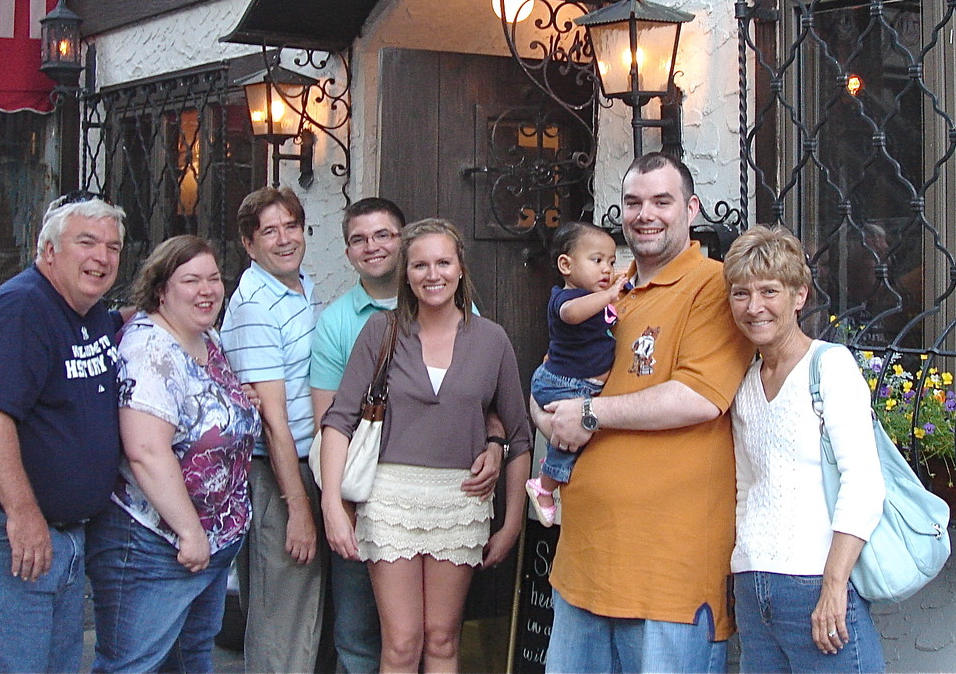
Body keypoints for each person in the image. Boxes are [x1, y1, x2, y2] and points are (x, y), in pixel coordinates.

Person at [536, 152, 754, 674]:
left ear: (691, 208)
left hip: (666, 575)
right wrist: (549, 418)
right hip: (583, 565)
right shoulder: (610, 287)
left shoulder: (713, 286)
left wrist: (587, 414)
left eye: (662, 201)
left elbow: (698, 396)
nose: (645, 214)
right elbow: (548, 376)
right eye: (633, 202)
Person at [0, 191, 128, 673]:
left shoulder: (90, 312)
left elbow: (112, 329)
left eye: (113, 246)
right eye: (87, 242)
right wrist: (24, 514)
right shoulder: (19, 309)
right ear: (49, 251)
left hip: (59, 537)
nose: (101, 256)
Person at [319, 218, 531, 674]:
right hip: (390, 497)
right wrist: (332, 505)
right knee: (401, 642)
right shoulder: (382, 332)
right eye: (419, 265)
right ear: (406, 273)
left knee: (441, 637)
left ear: (459, 269)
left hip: (460, 501)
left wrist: (512, 523)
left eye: (442, 263)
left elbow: (518, 435)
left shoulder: (491, 339)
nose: (431, 274)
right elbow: (338, 419)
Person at [87, 235, 260, 673]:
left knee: (188, 657)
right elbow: (145, 449)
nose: (207, 290)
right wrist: (190, 533)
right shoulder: (150, 350)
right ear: (161, 289)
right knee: (134, 664)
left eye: (214, 278)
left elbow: (200, 412)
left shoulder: (206, 338)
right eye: (191, 280)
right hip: (155, 543)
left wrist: (239, 404)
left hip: (209, 543)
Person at [723, 224, 886, 673]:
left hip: (817, 583)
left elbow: (864, 483)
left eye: (769, 291)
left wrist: (834, 584)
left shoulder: (828, 367)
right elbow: (746, 489)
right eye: (741, 294)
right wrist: (740, 572)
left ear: (799, 296)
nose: (754, 307)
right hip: (754, 588)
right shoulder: (744, 384)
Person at [220, 186, 326, 674]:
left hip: (310, 464)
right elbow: (272, 418)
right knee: (281, 619)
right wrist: (298, 508)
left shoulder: (300, 285)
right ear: (249, 243)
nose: (284, 240)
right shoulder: (255, 307)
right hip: (278, 473)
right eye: (269, 231)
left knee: (304, 610)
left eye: (291, 226)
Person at [524, 221, 621, 527]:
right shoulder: (565, 299)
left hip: (574, 382)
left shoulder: (596, 296)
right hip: (563, 384)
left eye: (611, 262)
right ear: (565, 264)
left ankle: (550, 475)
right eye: (597, 260)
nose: (606, 269)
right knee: (572, 437)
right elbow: (572, 314)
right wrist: (611, 294)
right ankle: (544, 486)